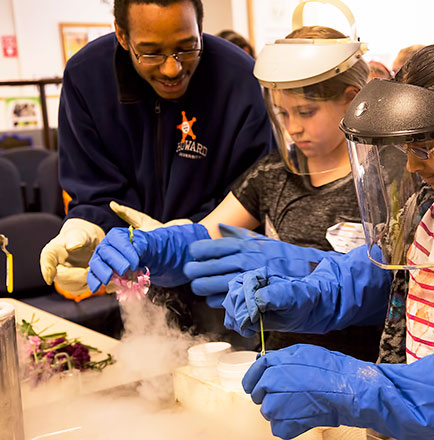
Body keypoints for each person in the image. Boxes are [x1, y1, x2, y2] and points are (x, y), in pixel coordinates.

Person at [211, 40, 434, 439]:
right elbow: (374, 274)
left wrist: (357, 386)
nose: (413, 165)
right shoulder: (427, 205)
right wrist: (302, 295)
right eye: (406, 148)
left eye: (424, 147)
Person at [87, 4, 384, 361]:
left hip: (362, 365)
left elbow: (392, 285)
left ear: (351, 101)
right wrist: (156, 246)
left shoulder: (386, 180)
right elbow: (206, 237)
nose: (293, 128)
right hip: (280, 363)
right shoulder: (272, 174)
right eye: (283, 112)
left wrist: (305, 269)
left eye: (306, 112)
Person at [39, 0, 274, 322]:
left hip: (221, 273)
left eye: (187, 48)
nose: (172, 68)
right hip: (135, 273)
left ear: (200, 29)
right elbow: (94, 189)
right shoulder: (86, 77)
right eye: (150, 53)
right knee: (152, 355)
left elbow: (256, 188)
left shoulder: (239, 77)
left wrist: (185, 237)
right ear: (122, 36)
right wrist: (88, 225)